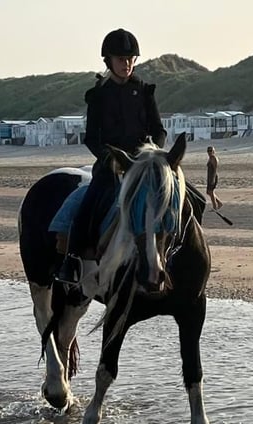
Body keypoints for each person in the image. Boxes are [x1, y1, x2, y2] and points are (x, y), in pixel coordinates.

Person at [55, 28, 167, 285]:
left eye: (130, 59)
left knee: (180, 196)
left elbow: (159, 131)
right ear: (109, 61)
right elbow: (91, 138)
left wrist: (154, 154)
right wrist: (111, 160)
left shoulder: (145, 91)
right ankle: (71, 259)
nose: (126, 64)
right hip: (110, 166)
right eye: (120, 59)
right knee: (89, 203)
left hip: (142, 165)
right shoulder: (98, 96)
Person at [206, 145, 222, 210]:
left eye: (211, 151)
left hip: (213, 176)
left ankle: (215, 207)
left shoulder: (214, 158)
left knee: (211, 192)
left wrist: (213, 179)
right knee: (208, 192)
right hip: (209, 176)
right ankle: (219, 203)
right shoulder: (210, 158)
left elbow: (215, 169)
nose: (209, 152)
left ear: (213, 151)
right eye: (208, 151)